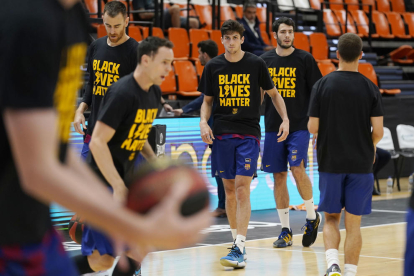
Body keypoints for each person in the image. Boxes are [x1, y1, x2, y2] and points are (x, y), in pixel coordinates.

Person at [0, 0, 211, 274]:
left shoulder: (74, 18)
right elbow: (36, 168)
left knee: (107, 258)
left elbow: (56, 149)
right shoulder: (28, 21)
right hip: (9, 229)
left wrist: (116, 217)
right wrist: (132, 225)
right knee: (106, 256)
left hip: (34, 227)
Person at [77, 37, 183, 275]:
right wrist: (116, 185)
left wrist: (158, 163)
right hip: (104, 181)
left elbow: (139, 132)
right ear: (145, 60)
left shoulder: (153, 92)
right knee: (102, 261)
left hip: (128, 177)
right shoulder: (122, 92)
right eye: (164, 63)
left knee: (138, 248)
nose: (169, 69)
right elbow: (97, 142)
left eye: (171, 63)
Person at [198, 19, 289, 269]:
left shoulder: (256, 63)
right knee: (228, 190)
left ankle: (239, 244)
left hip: (249, 133)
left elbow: (274, 94)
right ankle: (237, 245)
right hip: (222, 134)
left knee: (241, 188)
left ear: (241, 39)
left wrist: (286, 119)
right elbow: (206, 101)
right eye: (226, 38)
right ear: (222, 40)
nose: (230, 42)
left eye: (234, 38)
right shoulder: (213, 66)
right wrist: (203, 123)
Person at [308, 33, 384, 276]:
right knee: (354, 225)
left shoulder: (322, 85)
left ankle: (332, 265)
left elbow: (312, 128)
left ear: (337, 55)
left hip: (331, 161)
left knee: (331, 218)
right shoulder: (370, 87)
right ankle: (350, 273)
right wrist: (371, 145)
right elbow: (379, 131)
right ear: (361, 55)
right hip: (361, 164)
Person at [73, 1, 172, 159]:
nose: (112, 31)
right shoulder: (96, 46)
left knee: (118, 182)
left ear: (126, 21)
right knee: (87, 181)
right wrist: (80, 110)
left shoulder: (135, 52)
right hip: (94, 131)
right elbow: (92, 84)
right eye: (108, 25)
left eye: (117, 26)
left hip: (121, 136)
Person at [260, 17, 323, 249]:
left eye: (290, 31)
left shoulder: (305, 59)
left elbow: (318, 93)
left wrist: (318, 124)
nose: (287, 35)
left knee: (297, 168)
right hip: (272, 127)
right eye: (283, 31)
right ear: (274, 34)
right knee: (278, 176)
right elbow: (258, 95)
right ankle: (285, 230)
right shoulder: (264, 60)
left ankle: (311, 217)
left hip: (299, 125)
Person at [172, 40, 227, 217]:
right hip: (223, 124)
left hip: (219, 125)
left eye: (199, 53)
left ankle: (223, 205)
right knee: (224, 168)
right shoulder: (220, 65)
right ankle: (225, 204)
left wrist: (184, 109)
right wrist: (184, 109)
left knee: (221, 168)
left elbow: (205, 99)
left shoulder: (214, 67)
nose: (197, 57)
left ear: (205, 54)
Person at [133, 0, 199, 29]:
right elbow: (142, 15)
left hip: (162, 17)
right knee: (175, 8)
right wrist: (158, 13)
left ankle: (188, 44)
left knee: (194, 22)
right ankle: (176, 35)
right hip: (154, 19)